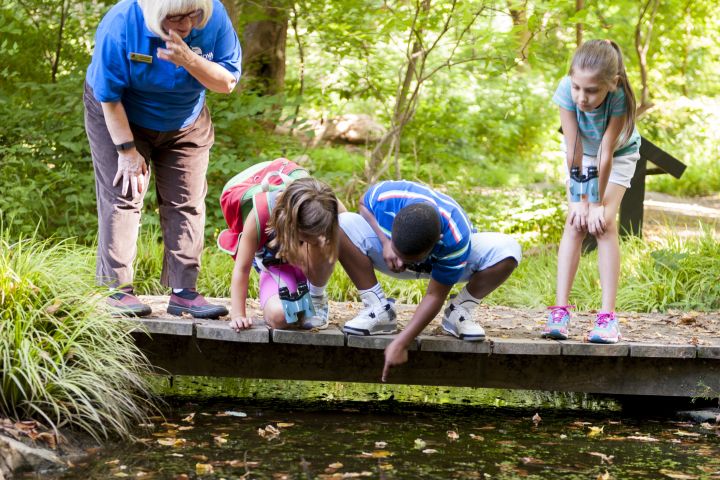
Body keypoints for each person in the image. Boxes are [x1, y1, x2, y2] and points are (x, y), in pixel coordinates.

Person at [84, 0, 242, 318]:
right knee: (124, 192)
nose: (185, 24)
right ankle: (117, 291)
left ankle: (184, 292)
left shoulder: (213, 18)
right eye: (175, 17)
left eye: (192, 16)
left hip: (186, 120)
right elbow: (109, 96)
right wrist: (127, 152)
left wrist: (190, 60)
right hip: (121, 115)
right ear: (155, 13)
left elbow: (226, 83)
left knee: (186, 200)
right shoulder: (121, 24)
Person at [338, 180, 522, 380]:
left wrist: (402, 342)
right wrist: (385, 242)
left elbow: (434, 295)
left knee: (508, 249)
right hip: (386, 252)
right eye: (400, 255)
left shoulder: (455, 236)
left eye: (408, 260)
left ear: (437, 241)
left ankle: (458, 313)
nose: (402, 263)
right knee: (341, 222)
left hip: (448, 263)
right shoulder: (388, 198)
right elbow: (363, 204)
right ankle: (378, 309)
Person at [543, 39, 641, 344]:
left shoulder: (619, 96)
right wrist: (578, 201)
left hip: (618, 156)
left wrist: (596, 204)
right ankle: (559, 312)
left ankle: (607, 318)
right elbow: (574, 149)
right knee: (575, 222)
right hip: (581, 154)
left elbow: (606, 154)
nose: (581, 98)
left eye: (591, 91)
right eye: (577, 88)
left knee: (603, 224)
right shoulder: (566, 91)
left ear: (611, 85)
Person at [227, 177, 343, 331]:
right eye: (305, 236)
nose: (310, 240)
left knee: (324, 240)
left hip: (314, 271)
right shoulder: (261, 214)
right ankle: (302, 307)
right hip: (278, 272)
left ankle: (316, 298)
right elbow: (242, 268)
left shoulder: (327, 203)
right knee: (280, 316)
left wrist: (320, 241)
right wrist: (238, 315)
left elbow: (348, 240)